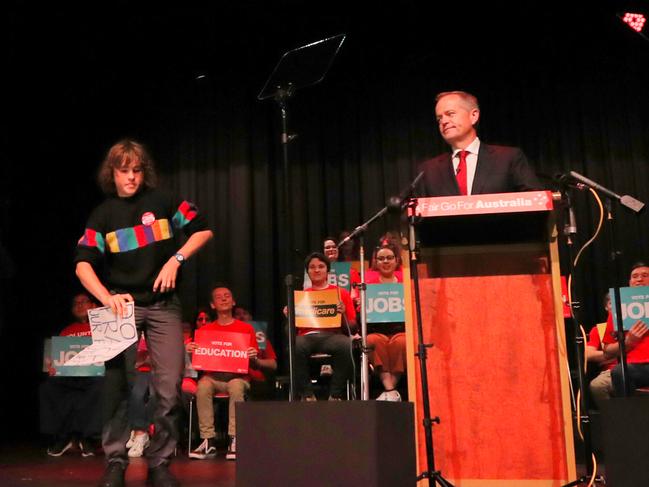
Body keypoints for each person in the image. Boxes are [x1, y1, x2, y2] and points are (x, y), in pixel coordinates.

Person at [74, 139, 213, 487]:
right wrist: (107, 298)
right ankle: (116, 463)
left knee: (168, 389)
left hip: (164, 306)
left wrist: (176, 258)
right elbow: (82, 266)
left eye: (136, 170)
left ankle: (160, 463)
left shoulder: (163, 201)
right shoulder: (102, 215)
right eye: (124, 171)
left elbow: (204, 230)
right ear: (113, 174)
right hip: (121, 308)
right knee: (117, 387)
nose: (131, 178)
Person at [418, 91, 542, 196]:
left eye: (450, 114)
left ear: (474, 116)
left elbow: (535, 200)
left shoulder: (508, 158)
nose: (444, 121)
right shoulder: (429, 170)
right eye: (439, 118)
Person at [187, 286, 262, 461]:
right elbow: (198, 364)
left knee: (236, 386)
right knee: (203, 386)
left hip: (238, 377)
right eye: (218, 297)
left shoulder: (246, 329)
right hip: (213, 377)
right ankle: (208, 441)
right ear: (213, 305)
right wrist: (191, 352)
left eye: (227, 296)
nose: (223, 299)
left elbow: (256, 365)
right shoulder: (205, 331)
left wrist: (253, 357)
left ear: (233, 301)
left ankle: (234, 440)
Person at [40, 292, 103, 457]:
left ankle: (88, 438)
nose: (80, 305)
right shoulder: (67, 331)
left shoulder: (102, 327)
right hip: (69, 375)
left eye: (84, 302)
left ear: (94, 305)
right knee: (49, 387)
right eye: (76, 303)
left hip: (94, 375)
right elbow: (57, 358)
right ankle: (63, 437)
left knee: (99, 386)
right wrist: (52, 368)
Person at [293, 252, 357, 401]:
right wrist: (289, 315)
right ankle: (308, 395)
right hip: (307, 336)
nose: (316, 270)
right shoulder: (302, 296)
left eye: (321, 267)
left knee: (345, 344)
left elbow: (353, 327)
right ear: (307, 272)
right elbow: (290, 329)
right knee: (295, 345)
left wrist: (342, 315)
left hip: (332, 336)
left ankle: (335, 395)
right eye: (312, 267)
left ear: (327, 270)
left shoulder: (341, 293)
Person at [365, 242, 406, 401]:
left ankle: (389, 391)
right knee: (371, 341)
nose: (386, 261)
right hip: (377, 331)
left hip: (401, 331)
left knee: (401, 343)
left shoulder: (405, 285)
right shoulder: (368, 287)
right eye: (381, 259)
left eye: (389, 258)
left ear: (396, 261)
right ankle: (392, 390)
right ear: (375, 262)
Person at [602, 261, 649, 395]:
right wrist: (628, 342)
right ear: (629, 282)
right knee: (619, 372)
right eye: (635, 276)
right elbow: (607, 352)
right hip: (633, 367)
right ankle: (632, 415)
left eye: (645, 275)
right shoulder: (618, 308)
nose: (639, 279)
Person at [586, 294, 616, 409]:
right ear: (606, 307)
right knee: (597, 385)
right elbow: (588, 354)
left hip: (639, 367)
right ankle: (612, 417)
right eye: (611, 303)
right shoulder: (599, 329)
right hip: (610, 373)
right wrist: (615, 354)